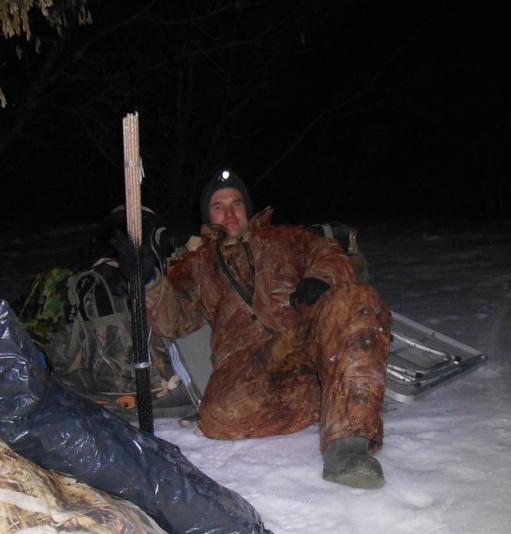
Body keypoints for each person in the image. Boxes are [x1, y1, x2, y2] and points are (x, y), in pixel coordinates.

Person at [117, 168, 392, 488]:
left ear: (247, 208)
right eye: (218, 206)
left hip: (305, 337)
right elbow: (173, 319)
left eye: (236, 203)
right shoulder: (196, 264)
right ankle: (327, 397)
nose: (229, 213)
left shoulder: (286, 238)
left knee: (357, 299)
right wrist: (149, 281)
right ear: (207, 217)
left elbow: (329, 253)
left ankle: (348, 449)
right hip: (250, 364)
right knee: (216, 418)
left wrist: (319, 277)